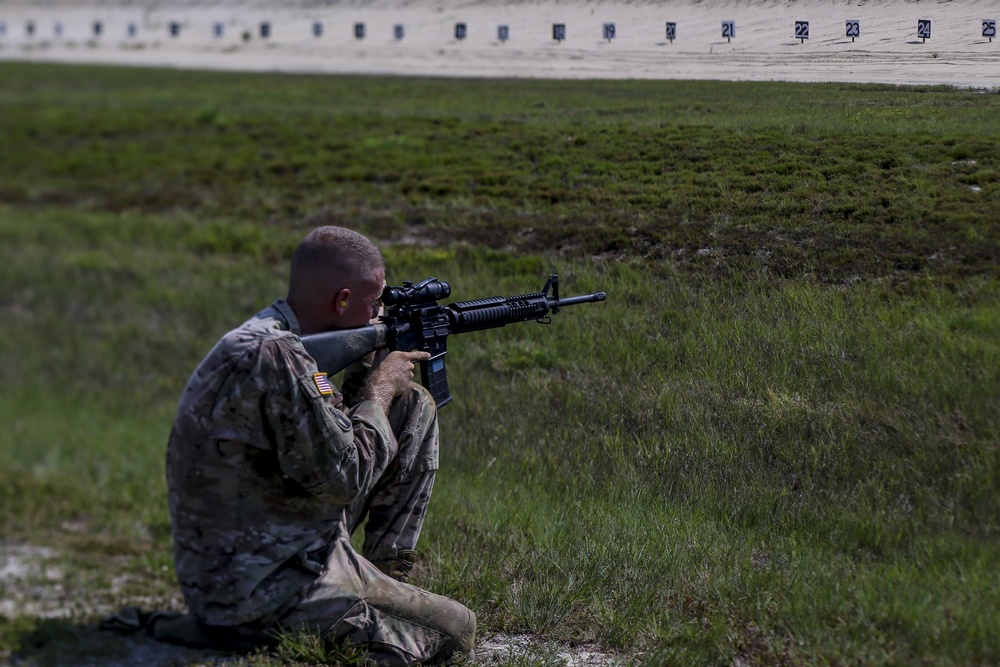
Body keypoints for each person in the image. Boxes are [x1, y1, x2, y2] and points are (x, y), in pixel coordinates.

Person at [164, 226, 476, 665]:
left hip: (262, 554)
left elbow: (320, 436)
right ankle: (269, 634)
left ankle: (379, 583)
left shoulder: (268, 338)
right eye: (374, 302)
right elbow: (344, 478)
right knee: (454, 631)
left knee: (413, 404)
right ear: (342, 301)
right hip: (258, 591)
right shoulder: (280, 359)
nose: (379, 314)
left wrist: (369, 375)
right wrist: (378, 388)